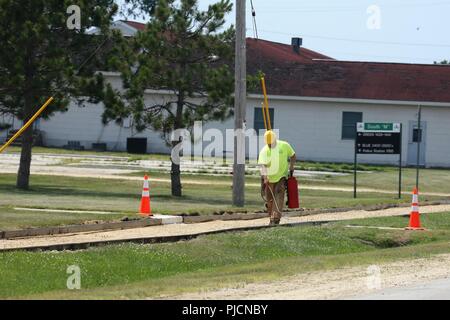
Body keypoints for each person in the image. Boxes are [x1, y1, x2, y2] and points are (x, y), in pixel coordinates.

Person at [258, 130, 296, 226]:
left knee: (279, 195)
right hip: (269, 179)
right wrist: (265, 177)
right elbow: (262, 166)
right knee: (270, 200)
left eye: (272, 143)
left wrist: (291, 167)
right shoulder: (264, 150)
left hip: (281, 177)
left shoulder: (284, 145)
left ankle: (275, 219)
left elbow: (293, 155)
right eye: (269, 144)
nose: (270, 145)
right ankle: (271, 216)